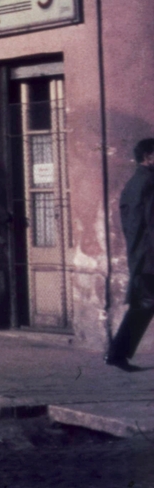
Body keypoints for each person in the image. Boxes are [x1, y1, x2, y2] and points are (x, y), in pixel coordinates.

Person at [107, 138, 154, 370]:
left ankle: (117, 354)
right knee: (144, 305)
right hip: (149, 258)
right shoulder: (147, 182)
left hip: (144, 257)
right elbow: (148, 224)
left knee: (144, 305)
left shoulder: (136, 182)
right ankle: (117, 354)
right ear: (149, 156)